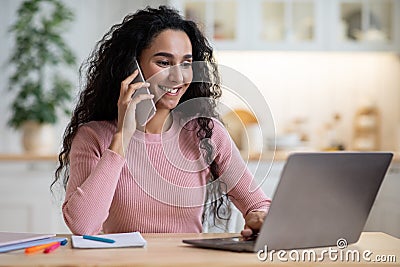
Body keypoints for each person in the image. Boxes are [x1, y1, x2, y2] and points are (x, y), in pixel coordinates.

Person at [52, 6, 271, 237]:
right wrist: (123, 138)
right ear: (132, 68)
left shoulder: (205, 133)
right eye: (164, 63)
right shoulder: (94, 137)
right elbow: (82, 226)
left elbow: (258, 204)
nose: (178, 77)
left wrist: (259, 216)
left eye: (186, 63)